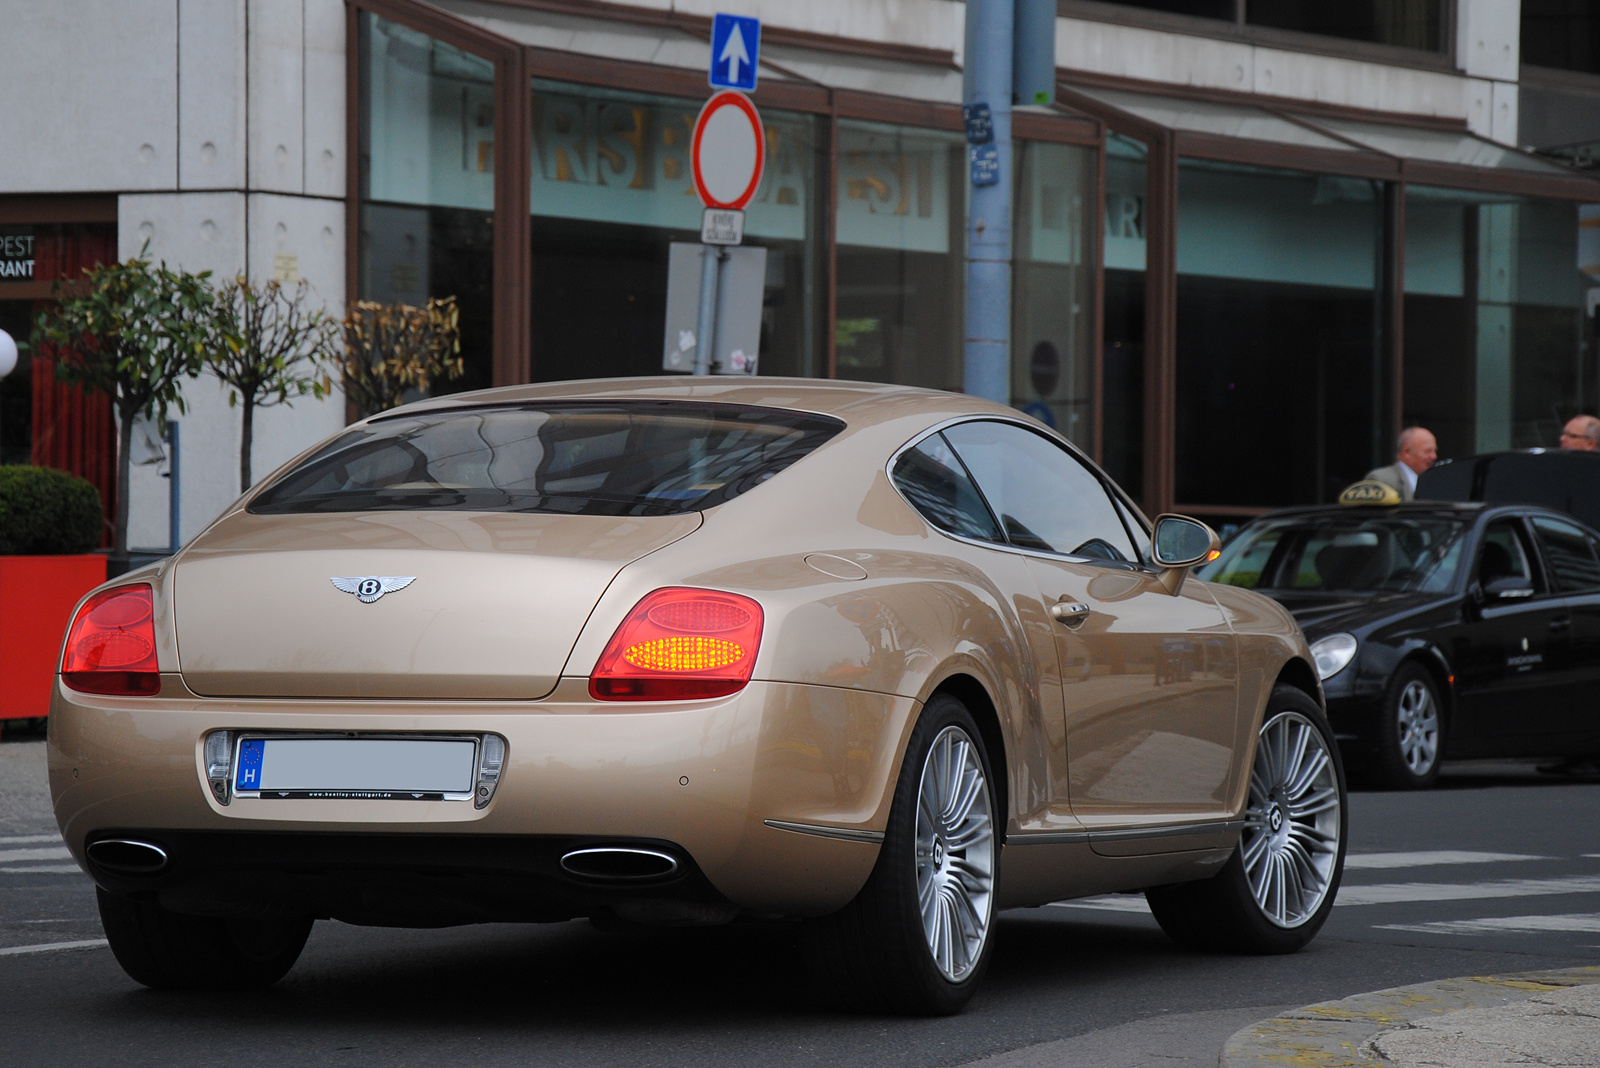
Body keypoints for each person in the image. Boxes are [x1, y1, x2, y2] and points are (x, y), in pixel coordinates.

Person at [1365, 426, 1437, 501]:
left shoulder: (1434, 482)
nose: (1434, 456)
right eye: (1427, 451)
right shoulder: (1380, 479)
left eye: (1435, 451)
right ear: (1407, 452)